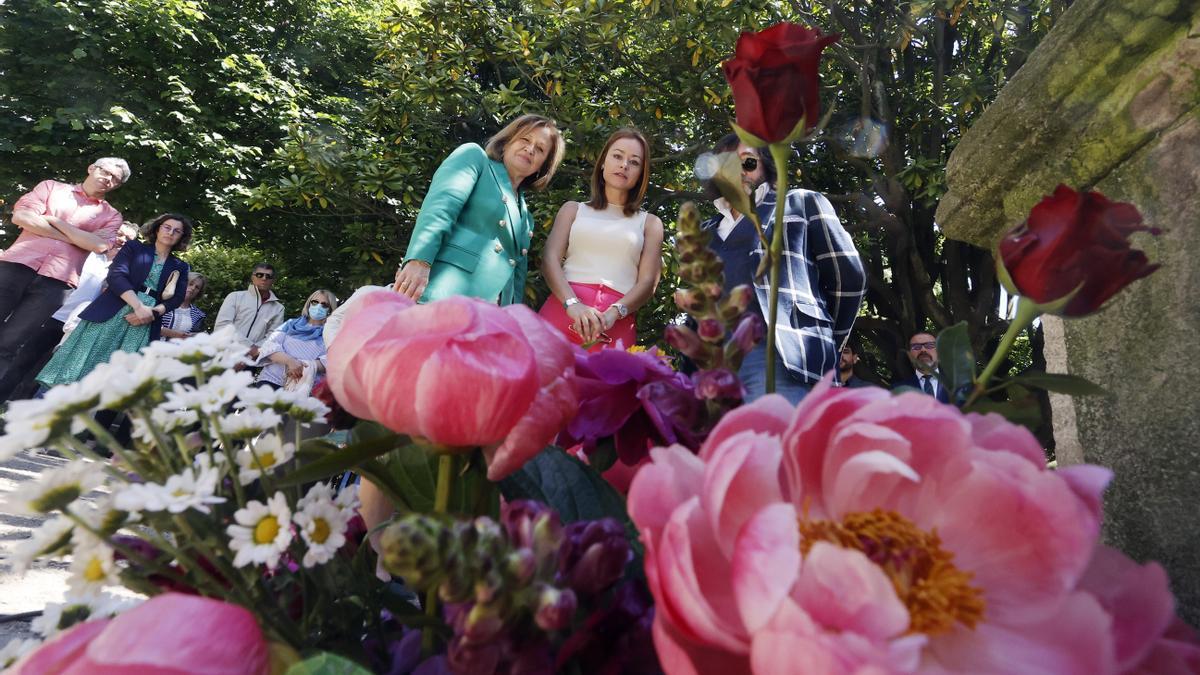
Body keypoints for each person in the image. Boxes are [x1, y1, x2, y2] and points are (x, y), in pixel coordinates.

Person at [701, 134, 866, 404]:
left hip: (782, 358)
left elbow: (849, 279)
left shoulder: (800, 203)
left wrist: (815, 335)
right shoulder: (705, 231)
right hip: (716, 368)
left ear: (766, 166)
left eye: (749, 162)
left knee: (783, 442)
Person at [394, 114, 565, 305]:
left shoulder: (527, 219)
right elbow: (440, 211)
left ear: (543, 166)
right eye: (525, 139)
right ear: (507, 141)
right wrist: (419, 261)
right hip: (439, 292)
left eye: (540, 149)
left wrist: (511, 317)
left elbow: (515, 277)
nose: (530, 149)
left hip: (486, 313)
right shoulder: (475, 158)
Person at [0, 158, 130, 394]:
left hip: (57, 282)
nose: (107, 179)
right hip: (16, 264)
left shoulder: (112, 216)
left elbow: (99, 246)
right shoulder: (51, 188)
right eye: (105, 171)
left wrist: (55, 222)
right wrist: (78, 238)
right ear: (91, 168)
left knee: (8, 345)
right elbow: (21, 217)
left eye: (115, 179)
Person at [538, 128, 664, 350]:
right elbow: (549, 259)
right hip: (561, 315)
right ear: (603, 162)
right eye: (617, 156)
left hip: (615, 328)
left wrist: (615, 313)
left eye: (634, 162)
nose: (624, 165)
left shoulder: (651, 223)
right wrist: (573, 305)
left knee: (609, 385)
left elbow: (647, 283)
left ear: (640, 174)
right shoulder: (572, 210)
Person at [36, 214, 192, 389]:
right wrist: (139, 307)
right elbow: (116, 276)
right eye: (167, 227)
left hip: (144, 323)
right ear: (157, 229)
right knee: (78, 365)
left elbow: (178, 298)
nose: (170, 233)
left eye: (177, 231)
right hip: (113, 310)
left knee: (114, 379)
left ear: (181, 237)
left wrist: (152, 313)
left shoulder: (181, 266)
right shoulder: (134, 248)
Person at [0, 221, 140, 402]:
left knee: (45, 368)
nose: (122, 240)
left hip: (75, 324)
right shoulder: (86, 253)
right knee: (22, 359)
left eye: (128, 239)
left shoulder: (119, 270)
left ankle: (21, 405)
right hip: (51, 313)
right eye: (120, 234)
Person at [254, 289, 338, 394]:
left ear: (330, 309)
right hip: (270, 382)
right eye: (315, 302)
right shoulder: (290, 324)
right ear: (309, 304)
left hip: (303, 389)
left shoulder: (331, 334)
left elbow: (329, 361)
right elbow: (269, 346)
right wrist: (291, 362)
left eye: (324, 304)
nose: (318, 306)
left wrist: (302, 367)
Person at [214, 263, 285, 360]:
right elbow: (223, 325)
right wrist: (249, 347)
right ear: (253, 277)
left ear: (273, 280)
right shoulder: (235, 297)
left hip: (250, 360)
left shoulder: (278, 308)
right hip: (223, 353)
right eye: (260, 275)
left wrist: (254, 352)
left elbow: (273, 337)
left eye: (268, 276)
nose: (264, 278)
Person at [894, 331, 950, 403]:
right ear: (909, 355)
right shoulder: (898, 391)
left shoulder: (960, 386)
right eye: (916, 347)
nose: (923, 350)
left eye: (930, 345)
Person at [160, 272, 209, 339]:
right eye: (190, 284)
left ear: (199, 292)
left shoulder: (199, 315)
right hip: (154, 347)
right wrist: (176, 334)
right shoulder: (161, 303)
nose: (193, 288)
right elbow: (149, 326)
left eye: (197, 287)